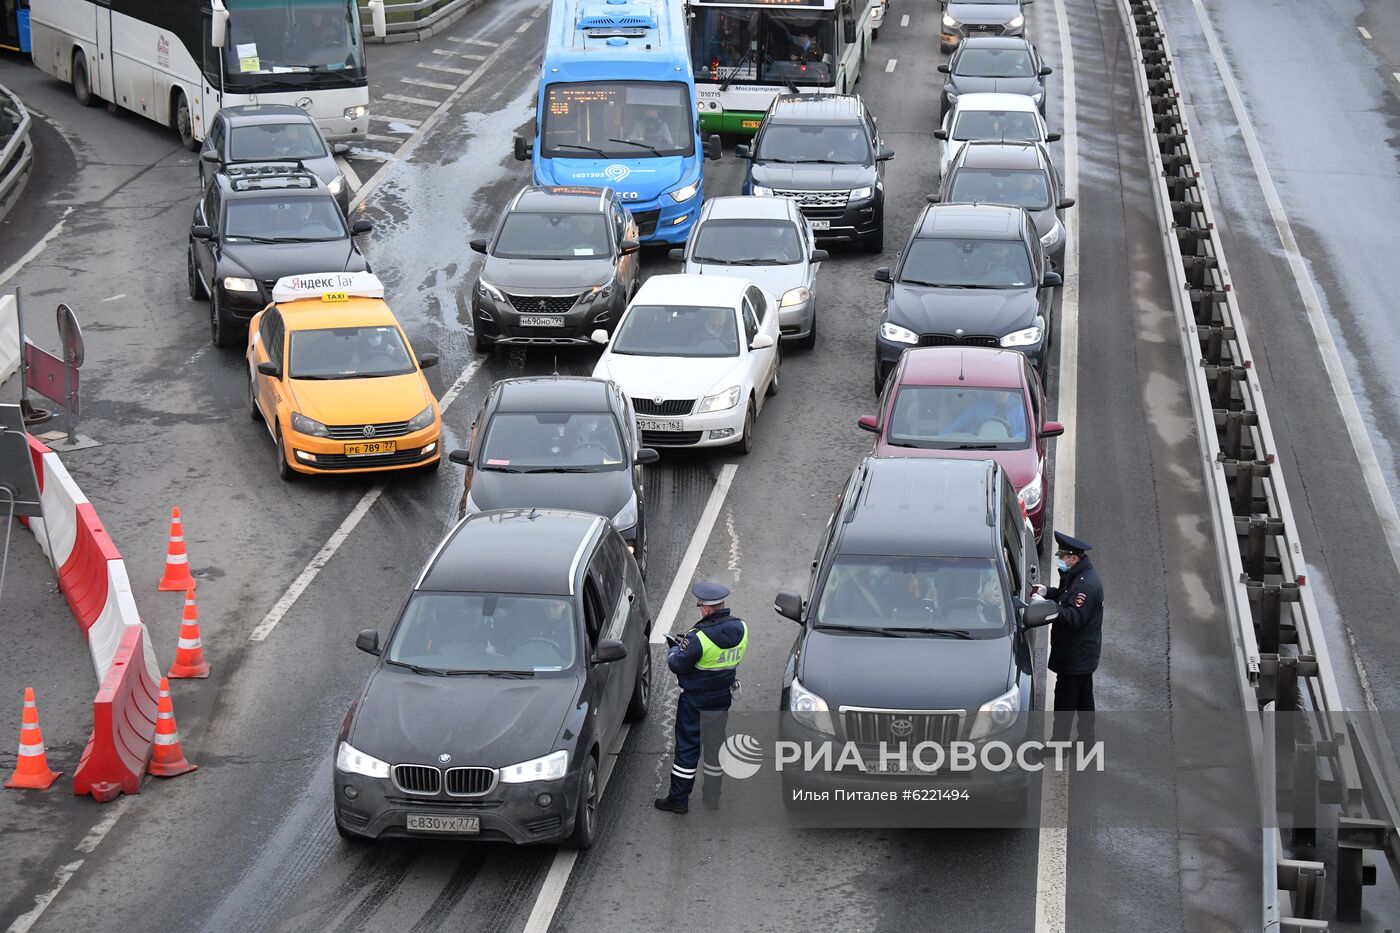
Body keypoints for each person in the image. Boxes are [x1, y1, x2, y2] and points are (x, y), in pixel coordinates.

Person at [655, 582, 748, 814]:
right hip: (722, 697)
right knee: (715, 746)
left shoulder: (698, 638)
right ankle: (712, 797)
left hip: (695, 701)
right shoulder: (742, 628)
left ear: (706, 609)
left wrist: (675, 649)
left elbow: (677, 664)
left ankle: (678, 800)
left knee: (687, 748)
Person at [1033, 532, 1104, 744]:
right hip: (1082, 654)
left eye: (1062, 556)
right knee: (1083, 699)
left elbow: (1074, 617)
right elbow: (1065, 595)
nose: (1059, 560)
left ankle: (1058, 744)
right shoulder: (1078, 575)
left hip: (1075, 656)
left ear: (1073, 558)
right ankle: (1086, 740)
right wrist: (1048, 592)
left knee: (1064, 703)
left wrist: (1047, 606)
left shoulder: (1085, 585)